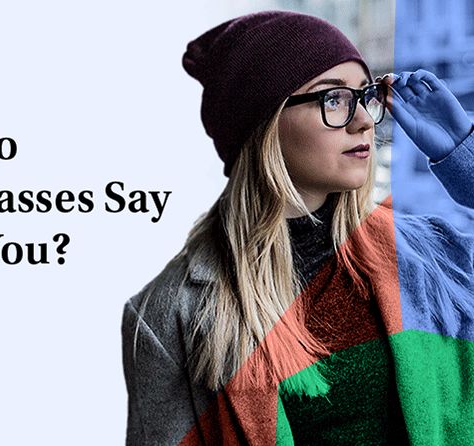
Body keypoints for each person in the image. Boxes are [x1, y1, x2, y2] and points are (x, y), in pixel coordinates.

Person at [121, 10, 474, 446]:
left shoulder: (427, 254)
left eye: (363, 95)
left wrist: (464, 151)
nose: (363, 119)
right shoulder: (171, 313)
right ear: (264, 124)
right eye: (333, 99)